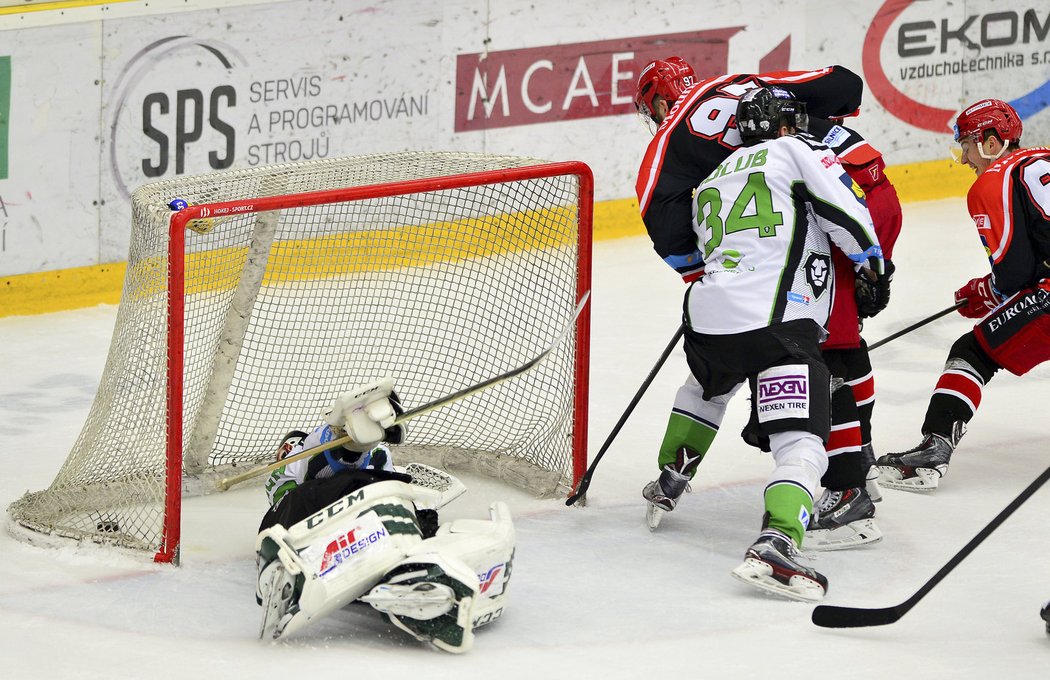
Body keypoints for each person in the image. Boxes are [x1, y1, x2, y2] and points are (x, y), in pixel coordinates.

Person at [634, 57, 901, 550]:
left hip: (822, 217)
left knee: (818, 352)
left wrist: (714, 277)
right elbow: (845, 84)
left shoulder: (690, 157)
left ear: (657, 103)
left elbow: (662, 219)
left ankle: (848, 484)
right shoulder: (743, 88)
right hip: (856, 196)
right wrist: (874, 267)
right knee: (830, 346)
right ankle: (852, 472)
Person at [255, 378, 515, 653]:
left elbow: (383, 480)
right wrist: (344, 439)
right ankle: (303, 568)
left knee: (412, 505)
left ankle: (416, 577)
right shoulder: (294, 461)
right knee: (353, 482)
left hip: (358, 529)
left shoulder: (377, 454)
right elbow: (310, 467)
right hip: (302, 522)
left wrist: (368, 442)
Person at [876, 99, 1050, 491]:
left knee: (973, 351)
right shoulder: (1044, 159)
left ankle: (934, 450)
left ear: (992, 142)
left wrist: (985, 291)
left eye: (968, 145)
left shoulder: (993, 182)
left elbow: (1015, 275)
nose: (965, 159)